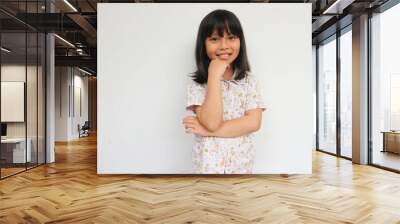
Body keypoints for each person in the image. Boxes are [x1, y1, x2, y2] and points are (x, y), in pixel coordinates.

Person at [182, 9, 266, 174]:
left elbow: (253, 123)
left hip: (241, 163)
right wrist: (213, 76)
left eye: (231, 37)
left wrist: (206, 131)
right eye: (214, 39)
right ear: (203, 44)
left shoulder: (249, 81)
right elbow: (212, 122)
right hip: (208, 166)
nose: (224, 46)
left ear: (240, 41)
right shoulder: (197, 85)